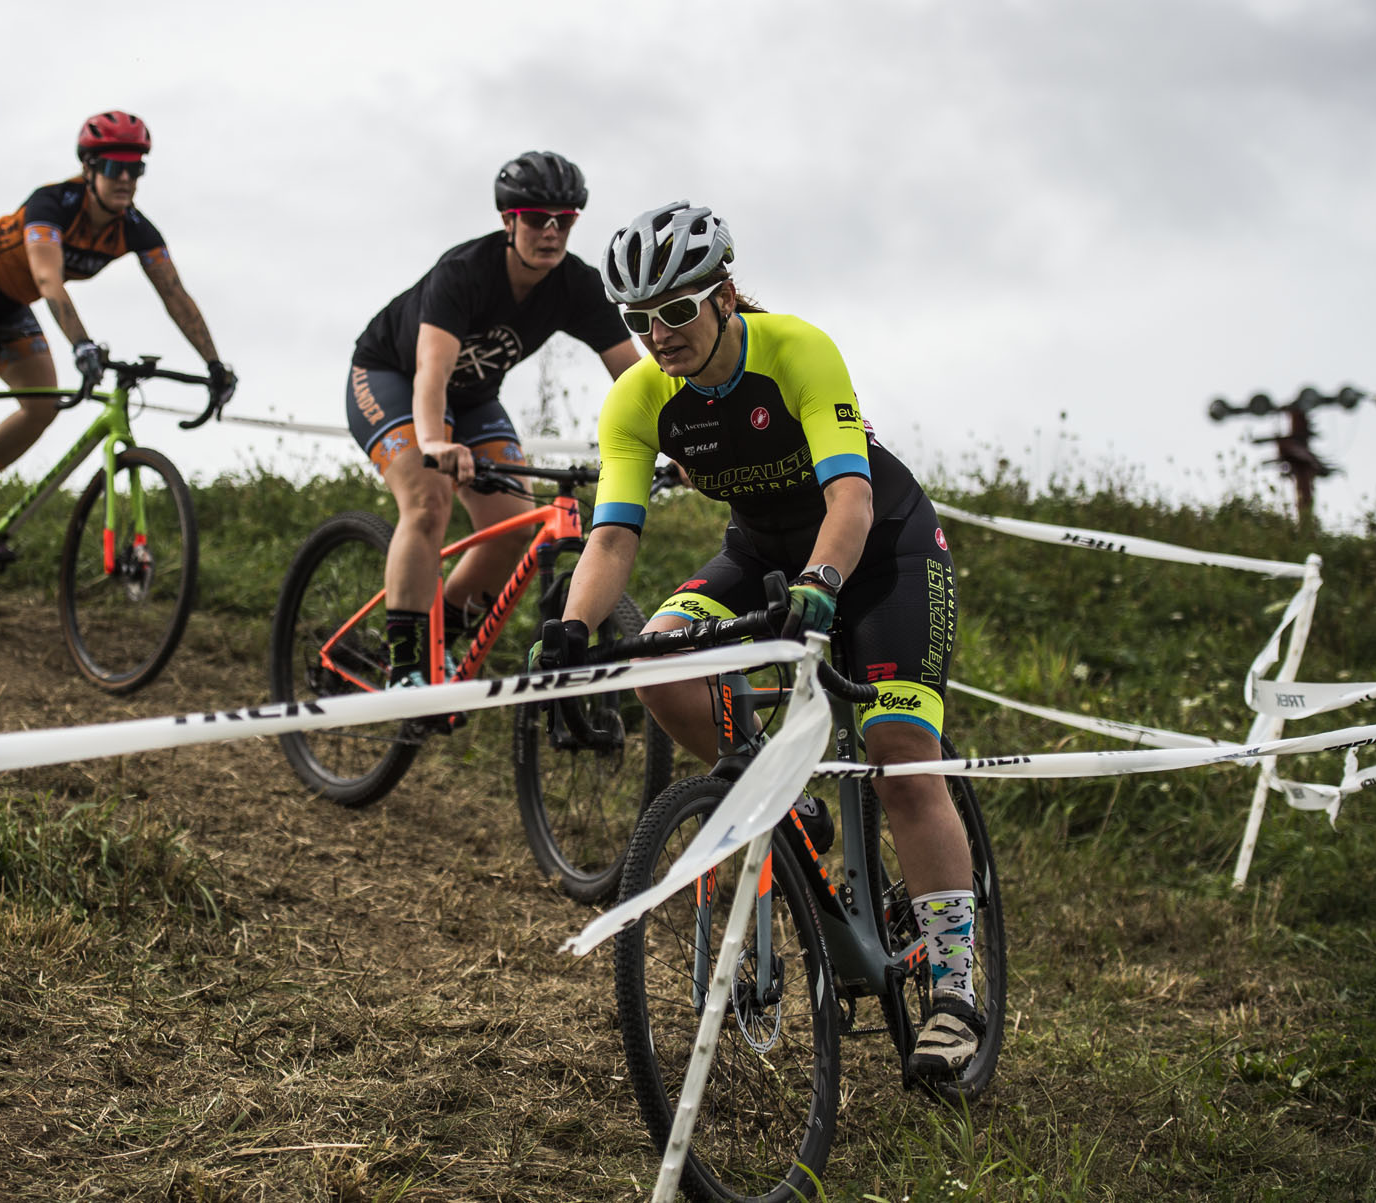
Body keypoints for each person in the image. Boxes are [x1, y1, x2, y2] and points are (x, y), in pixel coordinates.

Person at [549, 200, 982, 1081]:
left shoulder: (794, 348)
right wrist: (569, 629)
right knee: (657, 663)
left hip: (882, 550)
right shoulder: (639, 398)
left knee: (902, 753)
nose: (659, 333)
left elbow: (851, 501)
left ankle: (954, 992)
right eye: (641, 318)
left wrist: (822, 587)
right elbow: (614, 536)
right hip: (760, 553)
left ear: (724, 293)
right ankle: (784, 804)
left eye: (676, 310)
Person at [345, 151, 641, 688]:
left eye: (564, 221)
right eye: (536, 219)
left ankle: (439, 639)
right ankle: (407, 666)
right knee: (427, 499)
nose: (550, 232)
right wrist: (435, 443)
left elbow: (636, 379)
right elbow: (430, 374)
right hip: (392, 376)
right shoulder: (464, 272)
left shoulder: (577, 285)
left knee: (512, 526)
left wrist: (687, 442)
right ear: (509, 221)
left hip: (475, 396)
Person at [0, 110, 236, 559]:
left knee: (42, 405)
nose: (125, 178)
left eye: (135, 168)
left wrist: (214, 365)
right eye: (113, 167)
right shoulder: (53, 204)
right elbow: (49, 280)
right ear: (89, 168)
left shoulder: (136, 229)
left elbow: (175, 296)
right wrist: (81, 343)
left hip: (9, 303)